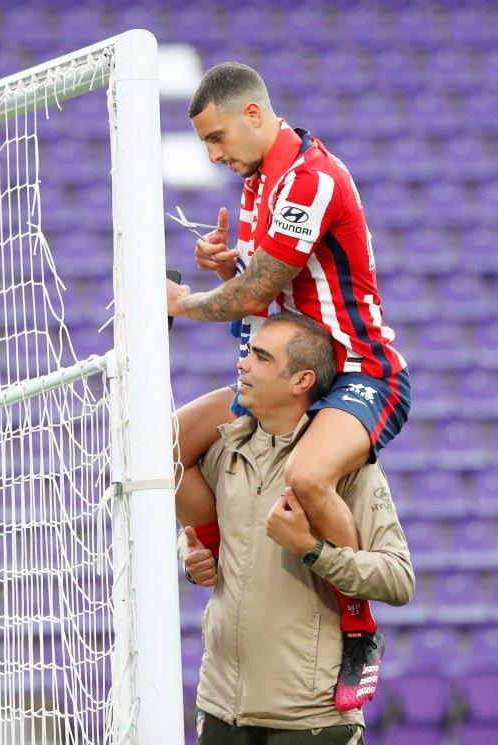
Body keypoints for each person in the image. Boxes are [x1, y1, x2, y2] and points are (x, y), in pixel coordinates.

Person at [167, 61, 410, 710]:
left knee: (305, 478)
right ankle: (214, 550)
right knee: (165, 444)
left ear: (253, 114)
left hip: (360, 371)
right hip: (291, 378)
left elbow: (262, 289)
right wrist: (230, 265)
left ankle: (357, 628)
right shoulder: (258, 181)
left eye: (217, 138)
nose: (214, 155)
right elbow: (261, 288)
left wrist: (187, 301)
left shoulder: (309, 179)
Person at [179, 311, 414, 743]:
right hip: (219, 708)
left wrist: (311, 549)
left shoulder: (350, 469)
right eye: (248, 352)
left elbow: (398, 580)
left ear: (301, 381)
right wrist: (192, 557)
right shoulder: (226, 451)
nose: (242, 364)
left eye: (261, 358)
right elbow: (220, 538)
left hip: (311, 721)